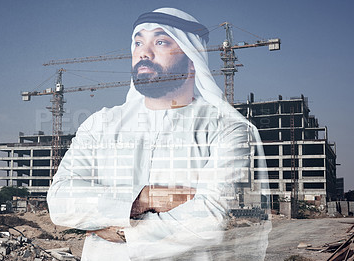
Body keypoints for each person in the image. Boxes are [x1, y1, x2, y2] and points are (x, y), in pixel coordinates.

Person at [47, 7, 271, 261]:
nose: (144, 51)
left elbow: (209, 219)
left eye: (160, 41)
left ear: (192, 55)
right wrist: (141, 199)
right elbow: (59, 201)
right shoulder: (99, 124)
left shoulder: (228, 129)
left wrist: (114, 229)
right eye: (138, 42)